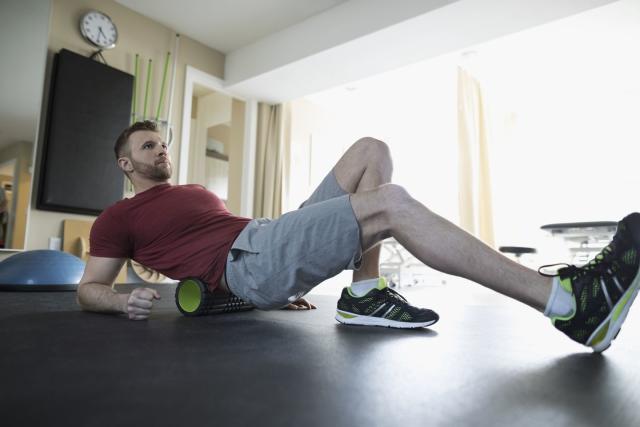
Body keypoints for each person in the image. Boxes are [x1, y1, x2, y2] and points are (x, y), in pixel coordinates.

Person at [78, 121, 640, 353]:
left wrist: (275, 269)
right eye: (148, 147)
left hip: (263, 240)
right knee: (390, 206)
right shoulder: (115, 219)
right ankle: (571, 304)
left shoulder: (196, 191)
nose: (161, 150)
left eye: (162, 143)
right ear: (125, 163)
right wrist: (125, 298)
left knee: (372, 151)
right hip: (250, 262)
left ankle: (365, 293)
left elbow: (221, 239)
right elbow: (89, 289)